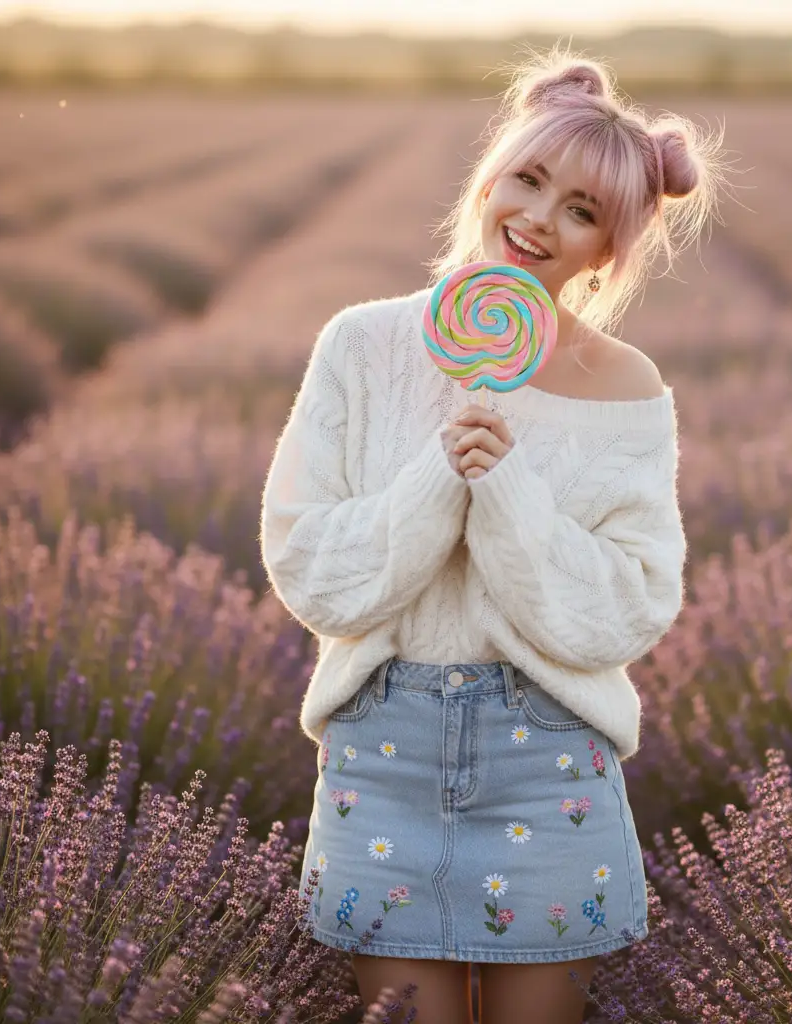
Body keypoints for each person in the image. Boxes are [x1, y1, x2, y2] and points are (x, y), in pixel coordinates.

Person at [260, 43, 733, 1024]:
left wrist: (508, 490)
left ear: (608, 249)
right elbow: (311, 570)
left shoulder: (629, 388)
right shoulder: (363, 345)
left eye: (582, 211)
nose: (540, 218)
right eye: (529, 179)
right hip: (382, 749)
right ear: (489, 178)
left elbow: (629, 607)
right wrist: (437, 479)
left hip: (547, 760)